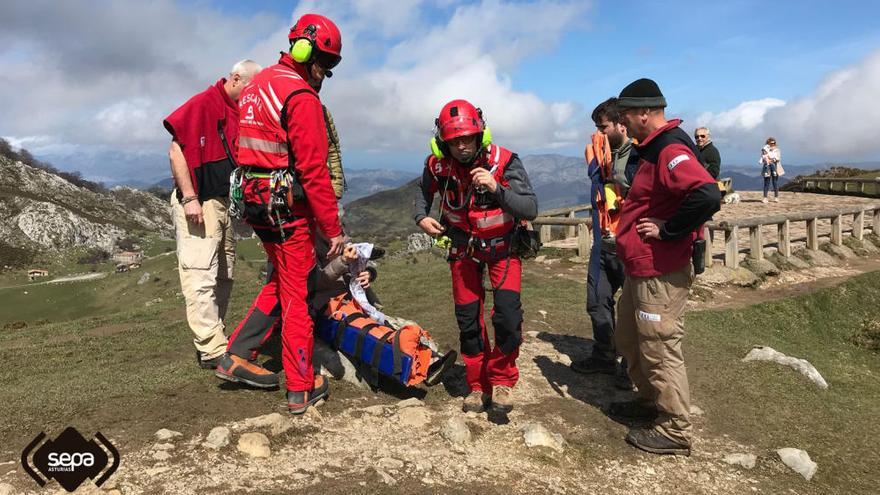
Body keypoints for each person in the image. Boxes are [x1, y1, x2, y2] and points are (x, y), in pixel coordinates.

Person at [228, 13, 345, 415]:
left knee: (281, 280)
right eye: (324, 63)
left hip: (256, 204)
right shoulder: (301, 98)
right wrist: (333, 230)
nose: (325, 74)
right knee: (298, 292)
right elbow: (314, 173)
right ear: (305, 50)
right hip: (286, 211)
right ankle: (301, 388)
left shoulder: (257, 85)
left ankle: (236, 356)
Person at [611, 78, 721, 456]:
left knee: (658, 347)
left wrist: (669, 230)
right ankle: (650, 403)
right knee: (629, 339)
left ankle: (675, 429)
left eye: (626, 114)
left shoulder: (671, 149)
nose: (623, 122)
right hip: (642, 268)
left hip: (661, 271)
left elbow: (706, 194)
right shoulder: (654, 148)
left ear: (645, 112)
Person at [414, 99, 538, 414]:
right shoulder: (436, 165)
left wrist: (497, 188)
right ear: (443, 142)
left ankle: (502, 380)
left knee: (508, 317)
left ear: (480, 134)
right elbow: (422, 192)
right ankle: (477, 384)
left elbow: (530, 208)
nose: (462, 147)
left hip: (503, 249)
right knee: (468, 320)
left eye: (467, 138)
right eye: (454, 141)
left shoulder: (505, 162)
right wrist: (420, 217)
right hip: (461, 249)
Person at [163, 59, 261, 369]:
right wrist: (190, 197)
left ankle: (214, 338)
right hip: (200, 201)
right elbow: (175, 149)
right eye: (251, 87)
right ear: (235, 78)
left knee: (224, 273)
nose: (253, 95)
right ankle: (210, 346)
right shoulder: (204, 102)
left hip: (223, 203)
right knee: (200, 274)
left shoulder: (239, 111)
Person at [570, 98, 639, 392]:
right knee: (597, 301)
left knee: (632, 309)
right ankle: (604, 354)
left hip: (630, 243)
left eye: (603, 126)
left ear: (620, 123)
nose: (598, 132)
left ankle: (631, 366)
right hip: (603, 240)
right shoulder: (598, 150)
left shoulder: (639, 155)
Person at [761, 137, 782, 203]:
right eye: (771, 143)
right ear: (768, 143)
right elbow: (763, 158)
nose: (773, 144)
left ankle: (776, 197)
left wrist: (772, 160)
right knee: (766, 183)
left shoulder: (777, 150)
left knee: (775, 182)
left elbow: (778, 158)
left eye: (774, 143)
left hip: (775, 167)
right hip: (767, 168)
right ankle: (765, 197)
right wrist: (767, 159)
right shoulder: (764, 150)